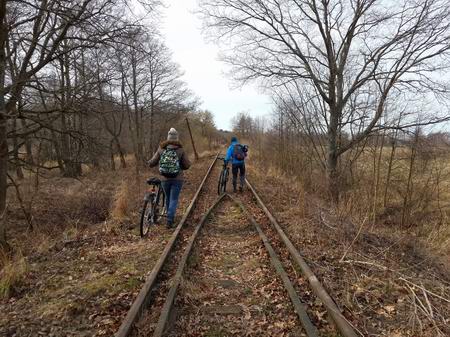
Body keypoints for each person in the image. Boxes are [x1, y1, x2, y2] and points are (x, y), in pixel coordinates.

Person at [148, 128, 191, 228]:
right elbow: (187, 165)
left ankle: (168, 218)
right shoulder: (180, 149)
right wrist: (182, 167)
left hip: (164, 178)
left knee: (167, 197)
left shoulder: (161, 148)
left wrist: (149, 163)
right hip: (177, 179)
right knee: (174, 199)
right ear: (176, 138)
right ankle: (170, 220)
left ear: (168, 137)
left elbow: (153, 162)